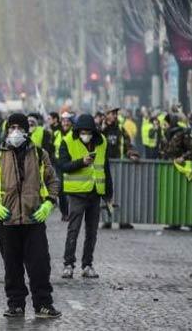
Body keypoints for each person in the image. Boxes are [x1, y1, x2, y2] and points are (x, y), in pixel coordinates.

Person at [0, 113, 62, 319]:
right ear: (6, 130)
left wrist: (49, 203)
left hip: (33, 219)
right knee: (12, 266)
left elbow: (52, 181)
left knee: (39, 264)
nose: (15, 132)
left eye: (19, 127)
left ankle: (43, 304)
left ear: (26, 131)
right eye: (11, 127)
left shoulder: (39, 153)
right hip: (7, 219)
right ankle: (16, 304)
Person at [60, 114, 113, 279]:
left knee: (92, 232)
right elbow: (63, 166)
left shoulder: (101, 142)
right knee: (73, 230)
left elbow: (105, 168)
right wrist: (81, 162)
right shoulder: (67, 141)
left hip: (95, 193)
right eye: (82, 132)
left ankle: (87, 265)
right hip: (76, 193)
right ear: (77, 131)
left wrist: (109, 195)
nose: (85, 134)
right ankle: (68, 264)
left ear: (93, 132)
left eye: (88, 132)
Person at [101, 107, 138, 230]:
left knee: (123, 194)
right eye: (111, 113)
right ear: (106, 115)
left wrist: (132, 153)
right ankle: (108, 219)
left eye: (115, 114)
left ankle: (123, 220)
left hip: (120, 167)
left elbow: (128, 145)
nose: (114, 115)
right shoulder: (101, 130)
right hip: (104, 167)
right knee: (108, 195)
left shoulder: (121, 129)